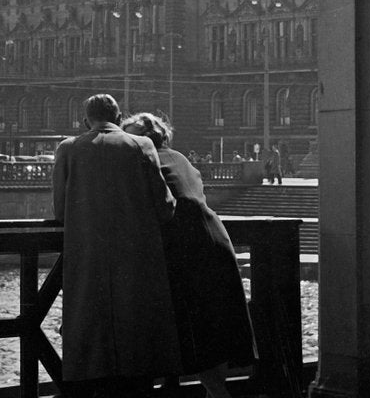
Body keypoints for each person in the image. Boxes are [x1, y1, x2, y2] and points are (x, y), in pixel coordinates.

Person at [52, 95, 182, 397]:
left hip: (87, 265)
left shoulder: (68, 149)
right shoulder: (142, 146)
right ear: (118, 115)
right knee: (137, 351)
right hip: (136, 265)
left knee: (90, 350)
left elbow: (60, 211)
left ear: (86, 121)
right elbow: (165, 206)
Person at [121, 113, 257, 398]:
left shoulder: (143, 159)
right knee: (213, 331)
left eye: (130, 137)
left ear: (144, 139)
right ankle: (215, 391)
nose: (126, 142)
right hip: (216, 242)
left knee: (191, 332)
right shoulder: (180, 158)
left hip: (188, 250)